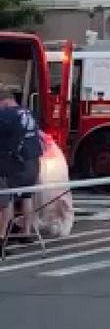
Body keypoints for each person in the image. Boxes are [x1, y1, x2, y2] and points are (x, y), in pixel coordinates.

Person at [0, 87, 43, 238]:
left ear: (3, 102)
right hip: (33, 161)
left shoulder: (5, 114)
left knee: (8, 198)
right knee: (27, 196)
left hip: (15, 163)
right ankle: (26, 232)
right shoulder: (28, 112)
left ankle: (3, 235)